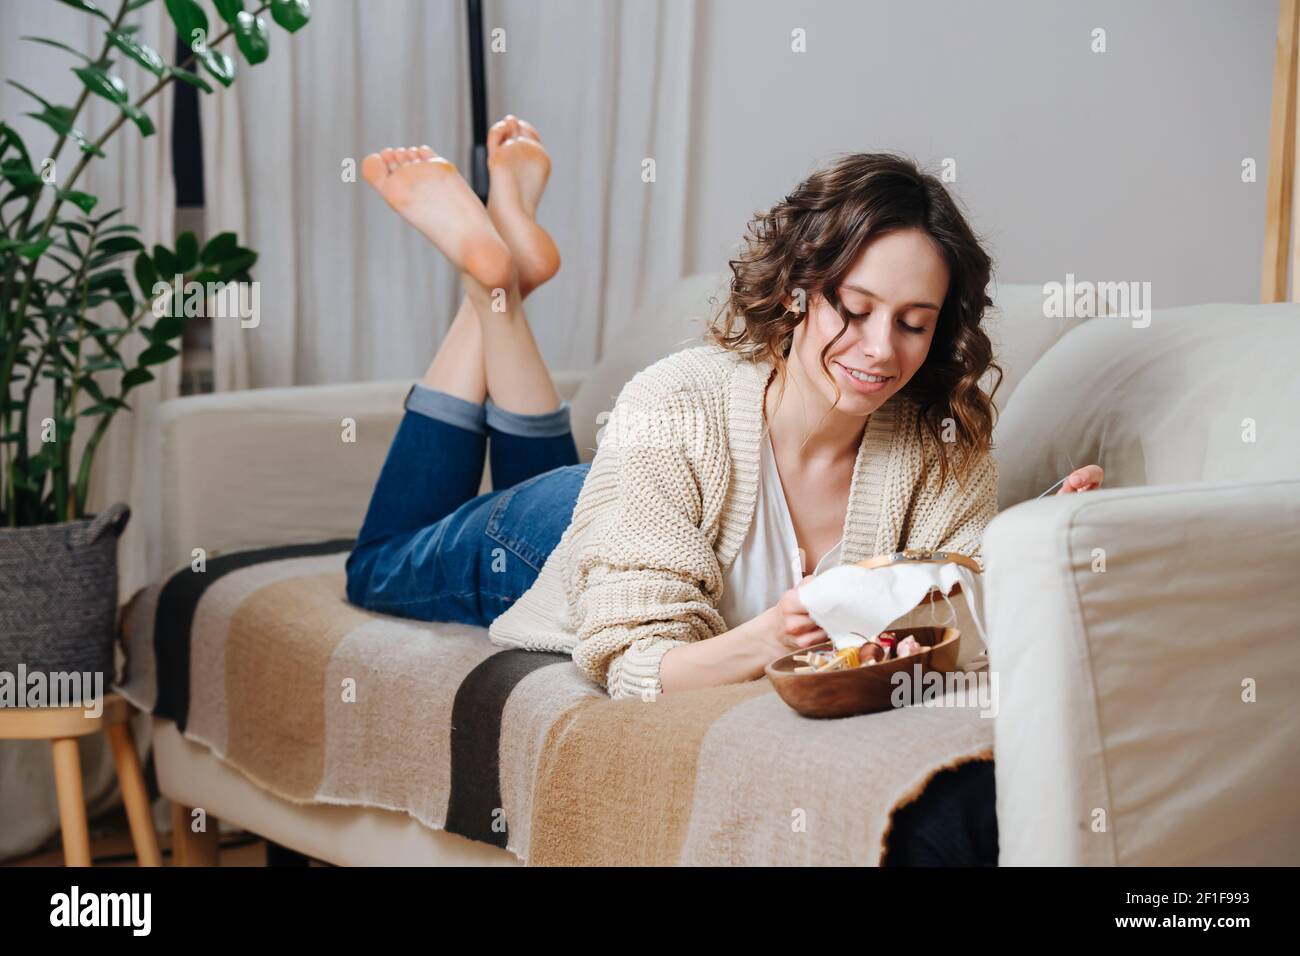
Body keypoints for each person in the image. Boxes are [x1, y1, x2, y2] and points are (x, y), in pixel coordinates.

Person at [344, 115, 1104, 702]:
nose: (880, 351)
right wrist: (770, 637)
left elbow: (949, 598)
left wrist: (1029, 542)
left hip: (657, 501)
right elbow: (635, 665)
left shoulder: (946, 439)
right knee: (378, 564)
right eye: (855, 309)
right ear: (797, 292)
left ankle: (502, 274)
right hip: (563, 530)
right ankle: (491, 289)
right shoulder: (677, 402)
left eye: (912, 322)